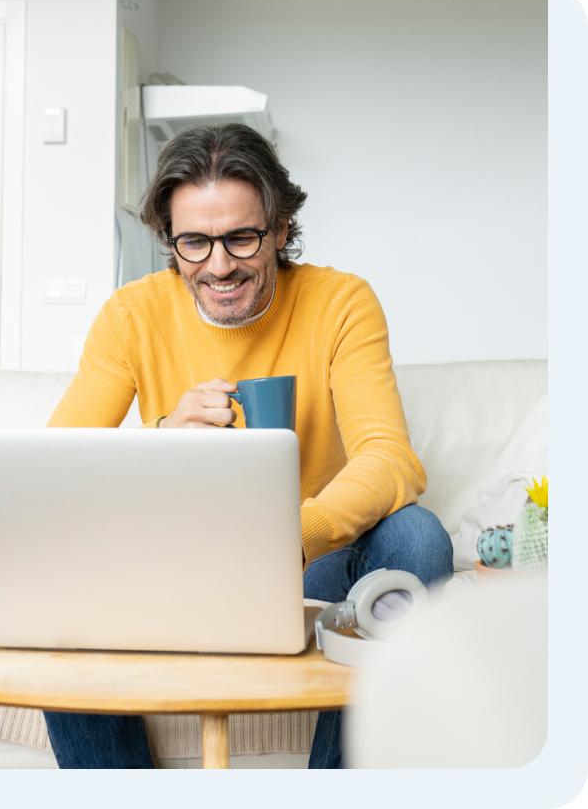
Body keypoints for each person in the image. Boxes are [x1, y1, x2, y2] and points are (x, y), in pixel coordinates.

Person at [43, 123, 453, 768]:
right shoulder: (131, 314)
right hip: (176, 557)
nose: (219, 264)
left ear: (281, 230)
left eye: (241, 236)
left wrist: (293, 534)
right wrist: (160, 442)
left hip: (308, 556)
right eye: (194, 243)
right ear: (169, 242)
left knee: (419, 536)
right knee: (58, 569)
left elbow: (390, 457)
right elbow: (54, 471)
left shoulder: (340, 301)